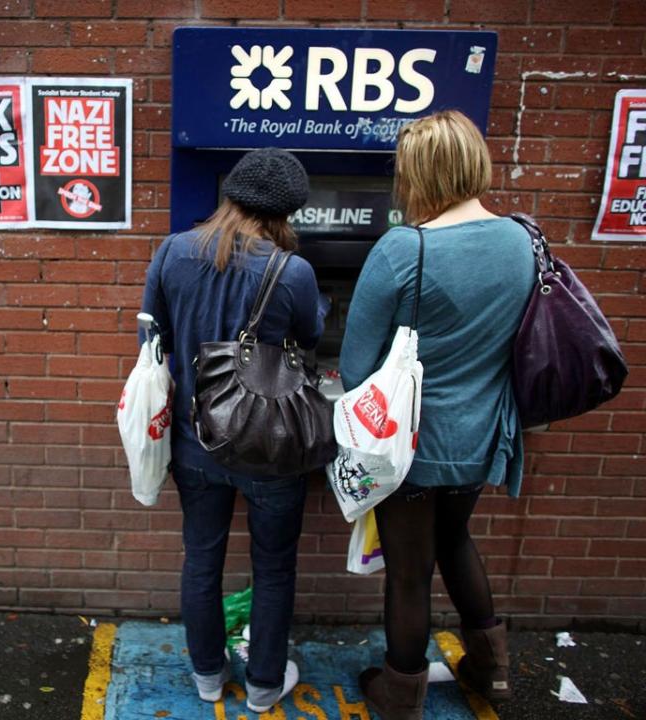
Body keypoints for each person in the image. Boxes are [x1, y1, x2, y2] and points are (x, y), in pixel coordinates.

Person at [340, 111, 535, 720]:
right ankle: (491, 669)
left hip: (414, 447)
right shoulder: (522, 239)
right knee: (456, 540)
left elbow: (354, 366)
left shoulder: (406, 247)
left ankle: (400, 692)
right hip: (483, 436)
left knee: (409, 571)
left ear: (417, 173)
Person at [140, 148, 324, 713]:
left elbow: (153, 341)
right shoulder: (291, 271)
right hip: (270, 448)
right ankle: (265, 685)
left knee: (202, 558)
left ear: (230, 194)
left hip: (196, 444)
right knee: (273, 567)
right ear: (286, 212)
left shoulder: (172, 251)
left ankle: (207, 676)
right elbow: (313, 335)